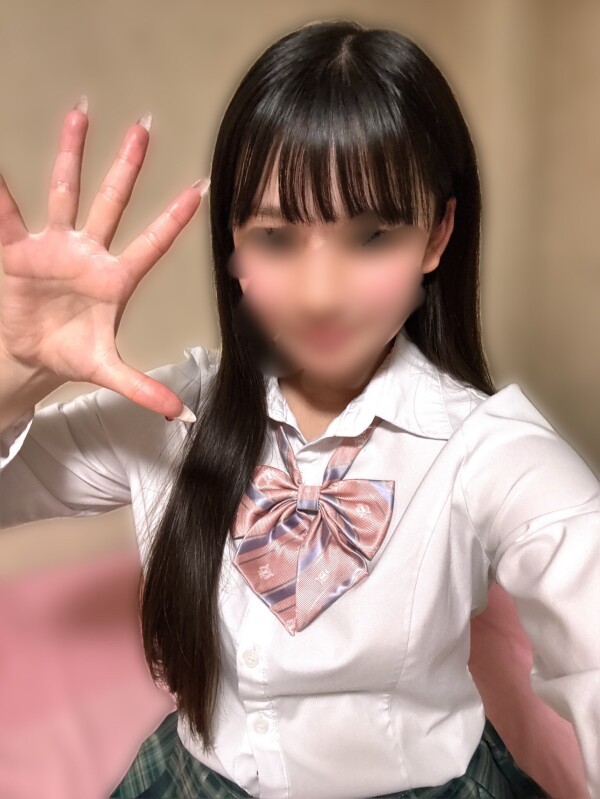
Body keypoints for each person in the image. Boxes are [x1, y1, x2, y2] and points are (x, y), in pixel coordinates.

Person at [0, 18, 597, 799]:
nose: (321, 294)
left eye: (372, 235)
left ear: (437, 236)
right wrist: (14, 378)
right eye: (278, 238)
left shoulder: (486, 447)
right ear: (233, 246)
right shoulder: (170, 414)